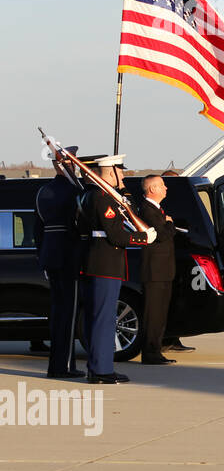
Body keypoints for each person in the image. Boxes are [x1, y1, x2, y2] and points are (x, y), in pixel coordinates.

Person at [80, 155, 154, 384]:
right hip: (105, 263)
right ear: (109, 172)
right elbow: (114, 234)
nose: (122, 175)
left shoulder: (99, 195)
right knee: (104, 319)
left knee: (101, 317)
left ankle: (98, 367)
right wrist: (142, 237)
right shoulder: (101, 198)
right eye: (119, 172)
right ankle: (101, 370)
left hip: (102, 262)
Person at [33, 149, 84, 379]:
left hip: (50, 256)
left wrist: (42, 256)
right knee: (69, 313)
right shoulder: (74, 191)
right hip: (68, 255)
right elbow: (79, 226)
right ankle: (62, 367)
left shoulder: (43, 191)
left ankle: (59, 364)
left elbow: (38, 230)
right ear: (67, 165)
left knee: (57, 312)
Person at [137, 175, 177, 365]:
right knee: (153, 313)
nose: (166, 188)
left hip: (163, 270)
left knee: (160, 312)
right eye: (162, 185)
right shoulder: (147, 210)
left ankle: (156, 349)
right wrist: (169, 223)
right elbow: (162, 235)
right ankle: (150, 352)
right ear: (152, 189)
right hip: (154, 270)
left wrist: (168, 224)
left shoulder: (156, 210)